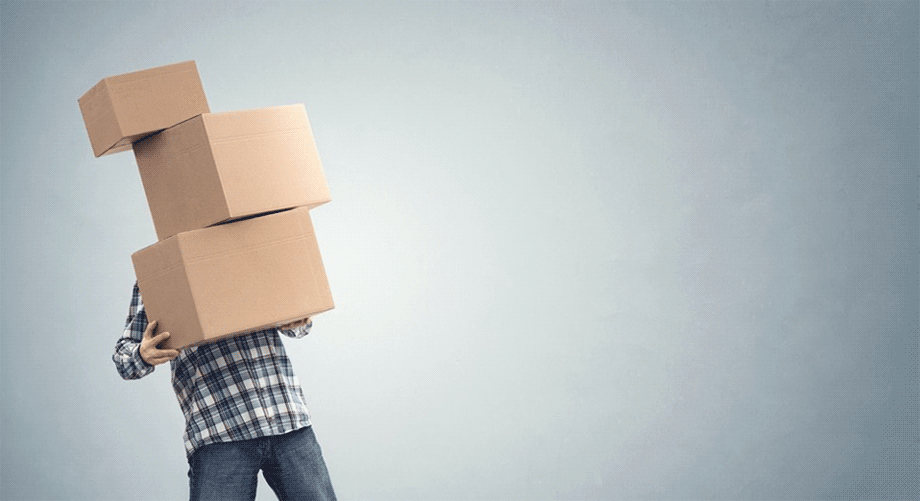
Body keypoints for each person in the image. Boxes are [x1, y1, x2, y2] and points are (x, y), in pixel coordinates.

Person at [112, 282, 337, 501]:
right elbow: (124, 357)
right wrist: (141, 355)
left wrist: (299, 317)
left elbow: (300, 326)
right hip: (219, 430)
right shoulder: (161, 274)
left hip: (284, 417)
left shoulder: (254, 257)